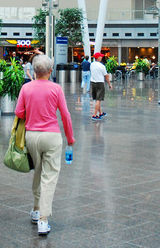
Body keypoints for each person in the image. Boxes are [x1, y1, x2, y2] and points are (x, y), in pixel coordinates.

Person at [14, 54, 75, 236]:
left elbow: (19, 112)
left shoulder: (26, 88)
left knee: (38, 171)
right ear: (50, 71)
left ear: (34, 70)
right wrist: (70, 138)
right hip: (52, 136)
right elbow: (65, 115)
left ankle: (35, 208)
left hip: (32, 136)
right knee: (49, 177)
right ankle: (43, 219)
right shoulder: (56, 89)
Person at [89, 53, 112, 121]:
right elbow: (106, 76)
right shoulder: (102, 66)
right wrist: (110, 84)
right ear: (98, 58)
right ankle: (95, 115)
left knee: (96, 99)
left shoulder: (91, 64)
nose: (101, 57)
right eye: (100, 56)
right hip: (100, 83)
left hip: (93, 83)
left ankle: (101, 112)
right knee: (99, 100)